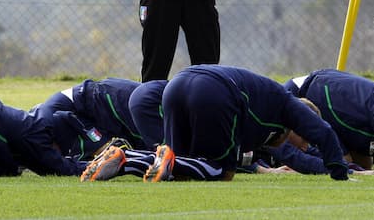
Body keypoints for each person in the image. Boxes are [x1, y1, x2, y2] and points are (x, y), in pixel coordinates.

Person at [83, 65, 350, 182]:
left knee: (178, 166)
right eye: (305, 141)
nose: (305, 147)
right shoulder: (288, 104)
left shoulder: (268, 110)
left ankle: (126, 158)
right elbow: (323, 132)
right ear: (299, 125)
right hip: (212, 91)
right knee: (222, 173)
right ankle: (128, 158)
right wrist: (341, 172)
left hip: (179, 83)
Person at [34, 77, 148, 160]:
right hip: (102, 98)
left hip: (104, 97)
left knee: (149, 147)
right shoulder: (46, 119)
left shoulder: (46, 120)